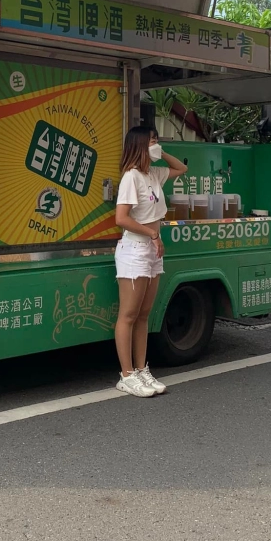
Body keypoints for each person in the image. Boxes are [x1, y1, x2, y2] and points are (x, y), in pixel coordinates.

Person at [113, 126, 187, 397]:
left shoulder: (153, 174)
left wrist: (161, 152)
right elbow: (121, 218)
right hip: (134, 250)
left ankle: (142, 369)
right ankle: (127, 375)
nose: (156, 144)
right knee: (129, 315)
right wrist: (152, 234)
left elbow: (181, 169)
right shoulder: (131, 177)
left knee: (144, 314)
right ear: (140, 146)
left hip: (152, 250)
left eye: (157, 141)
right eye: (152, 141)